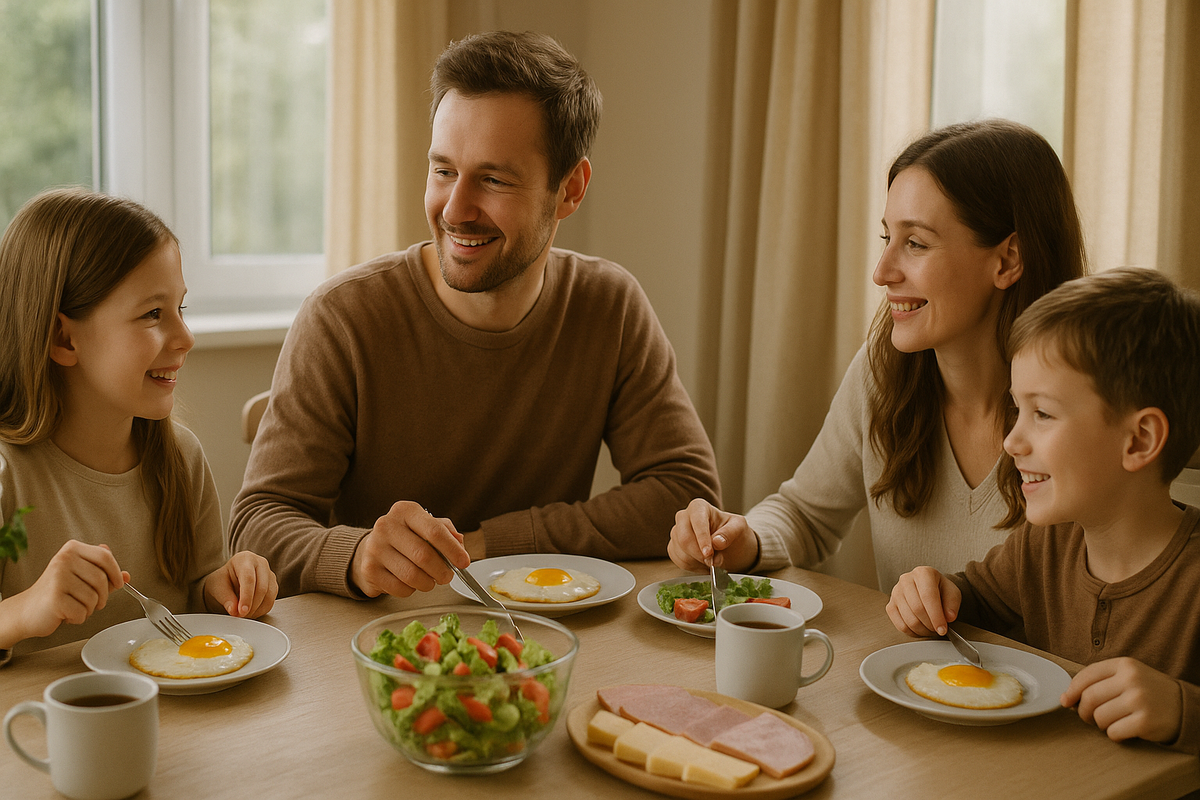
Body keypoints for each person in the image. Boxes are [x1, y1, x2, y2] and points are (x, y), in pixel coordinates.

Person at [229, 31, 720, 600]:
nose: (455, 210)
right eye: (443, 171)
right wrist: (358, 554)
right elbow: (258, 524)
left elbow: (683, 491)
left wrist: (493, 543)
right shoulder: (342, 317)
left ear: (570, 190)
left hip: (550, 635)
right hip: (381, 646)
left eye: (492, 180)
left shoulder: (608, 305)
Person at [668, 119, 1086, 591]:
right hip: (899, 669)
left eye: (916, 243)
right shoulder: (883, 373)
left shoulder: (1085, 407)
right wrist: (744, 539)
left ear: (1007, 260)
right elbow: (805, 515)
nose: (882, 272)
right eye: (888, 238)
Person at [886, 268, 1200, 753]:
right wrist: (934, 593)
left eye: (1043, 414)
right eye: (1016, 410)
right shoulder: (1047, 546)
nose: (1011, 441)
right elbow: (973, 599)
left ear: (1139, 440)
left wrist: (1184, 710)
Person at [0, 188, 278, 665]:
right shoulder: (7, 476)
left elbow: (195, 597)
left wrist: (221, 589)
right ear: (63, 338)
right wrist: (24, 611)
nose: (185, 338)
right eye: (152, 313)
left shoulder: (182, 459)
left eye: (180, 309)